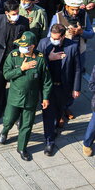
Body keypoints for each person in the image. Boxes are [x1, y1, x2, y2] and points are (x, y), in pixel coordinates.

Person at [0, 31, 51, 161]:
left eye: (25, 45)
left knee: (27, 124)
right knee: (9, 119)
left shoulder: (40, 58)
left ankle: (22, 147)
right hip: (15, 97)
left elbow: (46, 80)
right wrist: (21, 68)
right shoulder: (14, 56)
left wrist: (45, 97)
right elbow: (6, 75)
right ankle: (5, 131)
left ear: (32, 46)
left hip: (31, 98)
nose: (22, 48)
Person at [38, 24, 81, 156]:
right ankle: (49, 141)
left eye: (57, 38)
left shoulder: (72, 47)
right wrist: (49, 59)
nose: (53, 40)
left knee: (59, 110)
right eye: (52, 37)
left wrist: (76, 88)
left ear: (63, 36)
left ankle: (55, 125)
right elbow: (37, 63)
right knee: (48, 114)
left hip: (64, 87)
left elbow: (77, 69)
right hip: (48, 88)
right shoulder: (44, 43)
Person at [0, 0, 29, 118]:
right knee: (0, 86)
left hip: (17, 60)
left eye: (17, 13)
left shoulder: (24, 22)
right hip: (0, 59)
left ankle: (16, 111)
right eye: (13, 14)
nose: (16, 16)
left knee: (18, 86)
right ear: (6, 13)